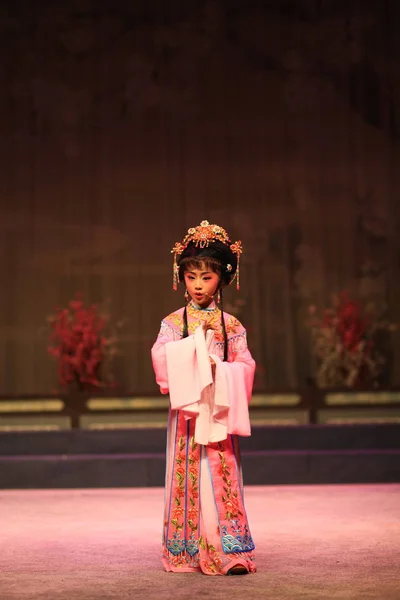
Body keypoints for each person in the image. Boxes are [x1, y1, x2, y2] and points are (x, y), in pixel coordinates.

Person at [151, 220, 256, 576]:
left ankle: (229, 553)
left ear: (222, 279)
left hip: (218, 409)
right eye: (192, 276)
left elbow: (245, 364)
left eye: (206, 277)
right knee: (189, 476)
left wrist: (220, 370)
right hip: (188, 414)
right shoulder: (174, 322)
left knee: (221, 475)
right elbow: (162, 359)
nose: (198, 285)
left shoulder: (232, 325)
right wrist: (194, 346)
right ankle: (186, 551)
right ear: (182, 277)